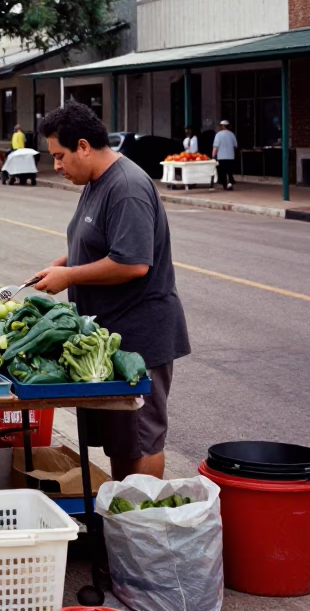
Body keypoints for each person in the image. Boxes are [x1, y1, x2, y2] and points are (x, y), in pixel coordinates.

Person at [33, 102, 190, 482]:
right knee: (122, 441)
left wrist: (70, 277)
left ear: (84, 146)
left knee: (142, 439)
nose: (56, 165)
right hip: (111, 333)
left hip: (140, 333)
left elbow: (132, 262)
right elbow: (99, 240)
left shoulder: (127, 188)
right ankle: (122, 517)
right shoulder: (96, 182)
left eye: (59, 156)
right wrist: (63, 263)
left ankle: (139, 527)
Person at [212, 119, 239, 190]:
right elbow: (235, 146)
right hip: (230, 156)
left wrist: (213, 155)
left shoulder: (218, 135)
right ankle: (230, 183)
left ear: (223, 126)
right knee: (229, 171)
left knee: (223, 172)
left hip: (221, 157)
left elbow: (215, 147)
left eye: (220, 126)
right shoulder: (232, 134)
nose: (220, 127)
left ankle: (225, 185)